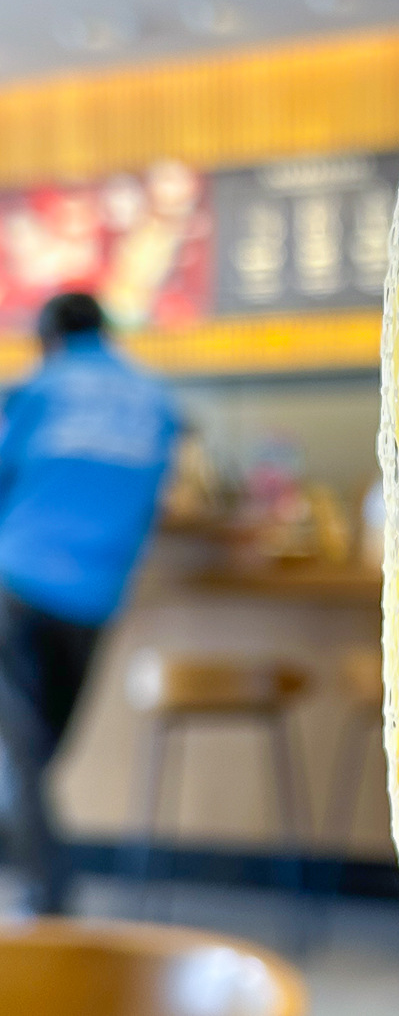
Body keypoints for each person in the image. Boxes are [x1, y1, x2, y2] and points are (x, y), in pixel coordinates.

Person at [0, 292, 179, 914]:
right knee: (37, 747)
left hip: (18, 579)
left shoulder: (39, 388)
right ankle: (42, 888)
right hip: (96, 597)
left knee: (21, 749)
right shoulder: (156, 399)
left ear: (49, 338)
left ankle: (49, 894)